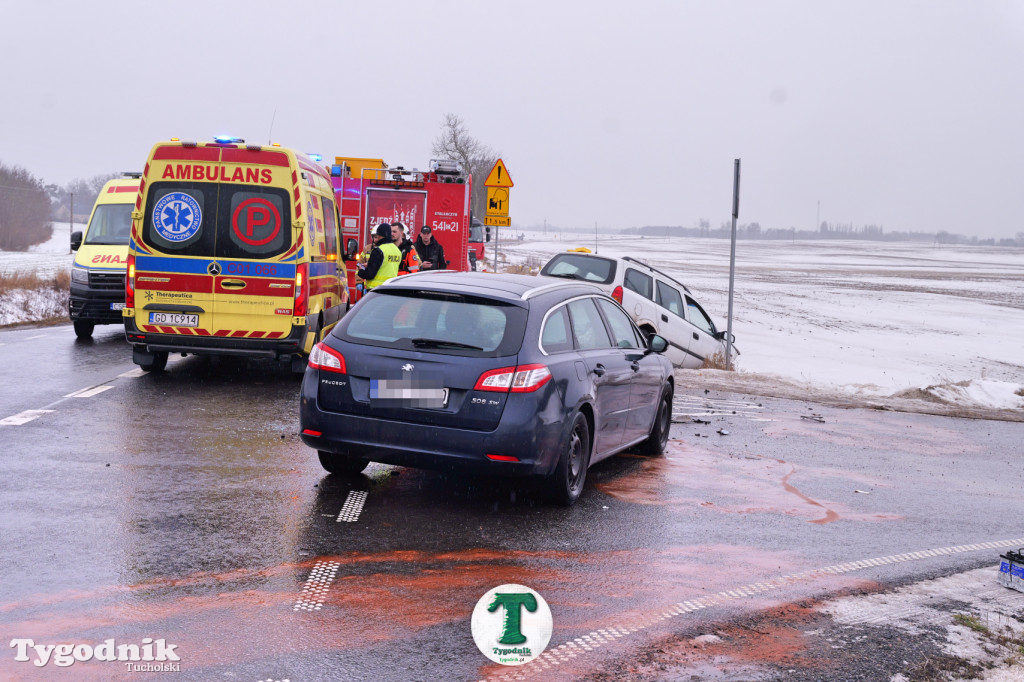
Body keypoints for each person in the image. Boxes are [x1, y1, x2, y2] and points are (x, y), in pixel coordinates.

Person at [357, 223, 401, 290]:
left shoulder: (378, 250)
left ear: (381, 236)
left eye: (378, 236)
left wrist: (361, 270)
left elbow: (369, 274)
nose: (377, 239)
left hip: (376, 290)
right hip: (390, 288)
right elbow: (386, 267)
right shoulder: (397, 251)